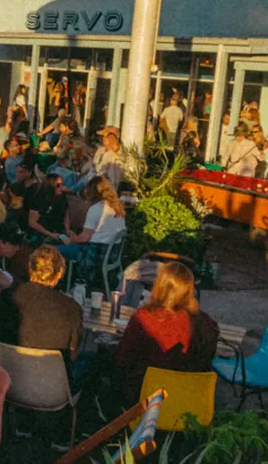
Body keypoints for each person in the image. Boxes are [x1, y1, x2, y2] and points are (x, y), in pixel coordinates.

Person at [114, 262, 219, 409]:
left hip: (143, 401)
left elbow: (123, 360)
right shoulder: (207, 324)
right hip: (188, 402)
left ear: (159, 286)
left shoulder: (144, 318)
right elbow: (205, 363)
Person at [0, 246, 81, 353]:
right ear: (60, 273)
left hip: (8, 364)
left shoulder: (7, 296)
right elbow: (73, 352)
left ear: (30, 267)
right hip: (51, 368)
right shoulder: (72, 308)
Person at [59, 175, 126, 267]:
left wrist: (72, 239)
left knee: (53, 249)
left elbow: (85, 238)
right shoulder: (117, 207)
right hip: (111, 254)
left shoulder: (96, 209)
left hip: (94, 255)